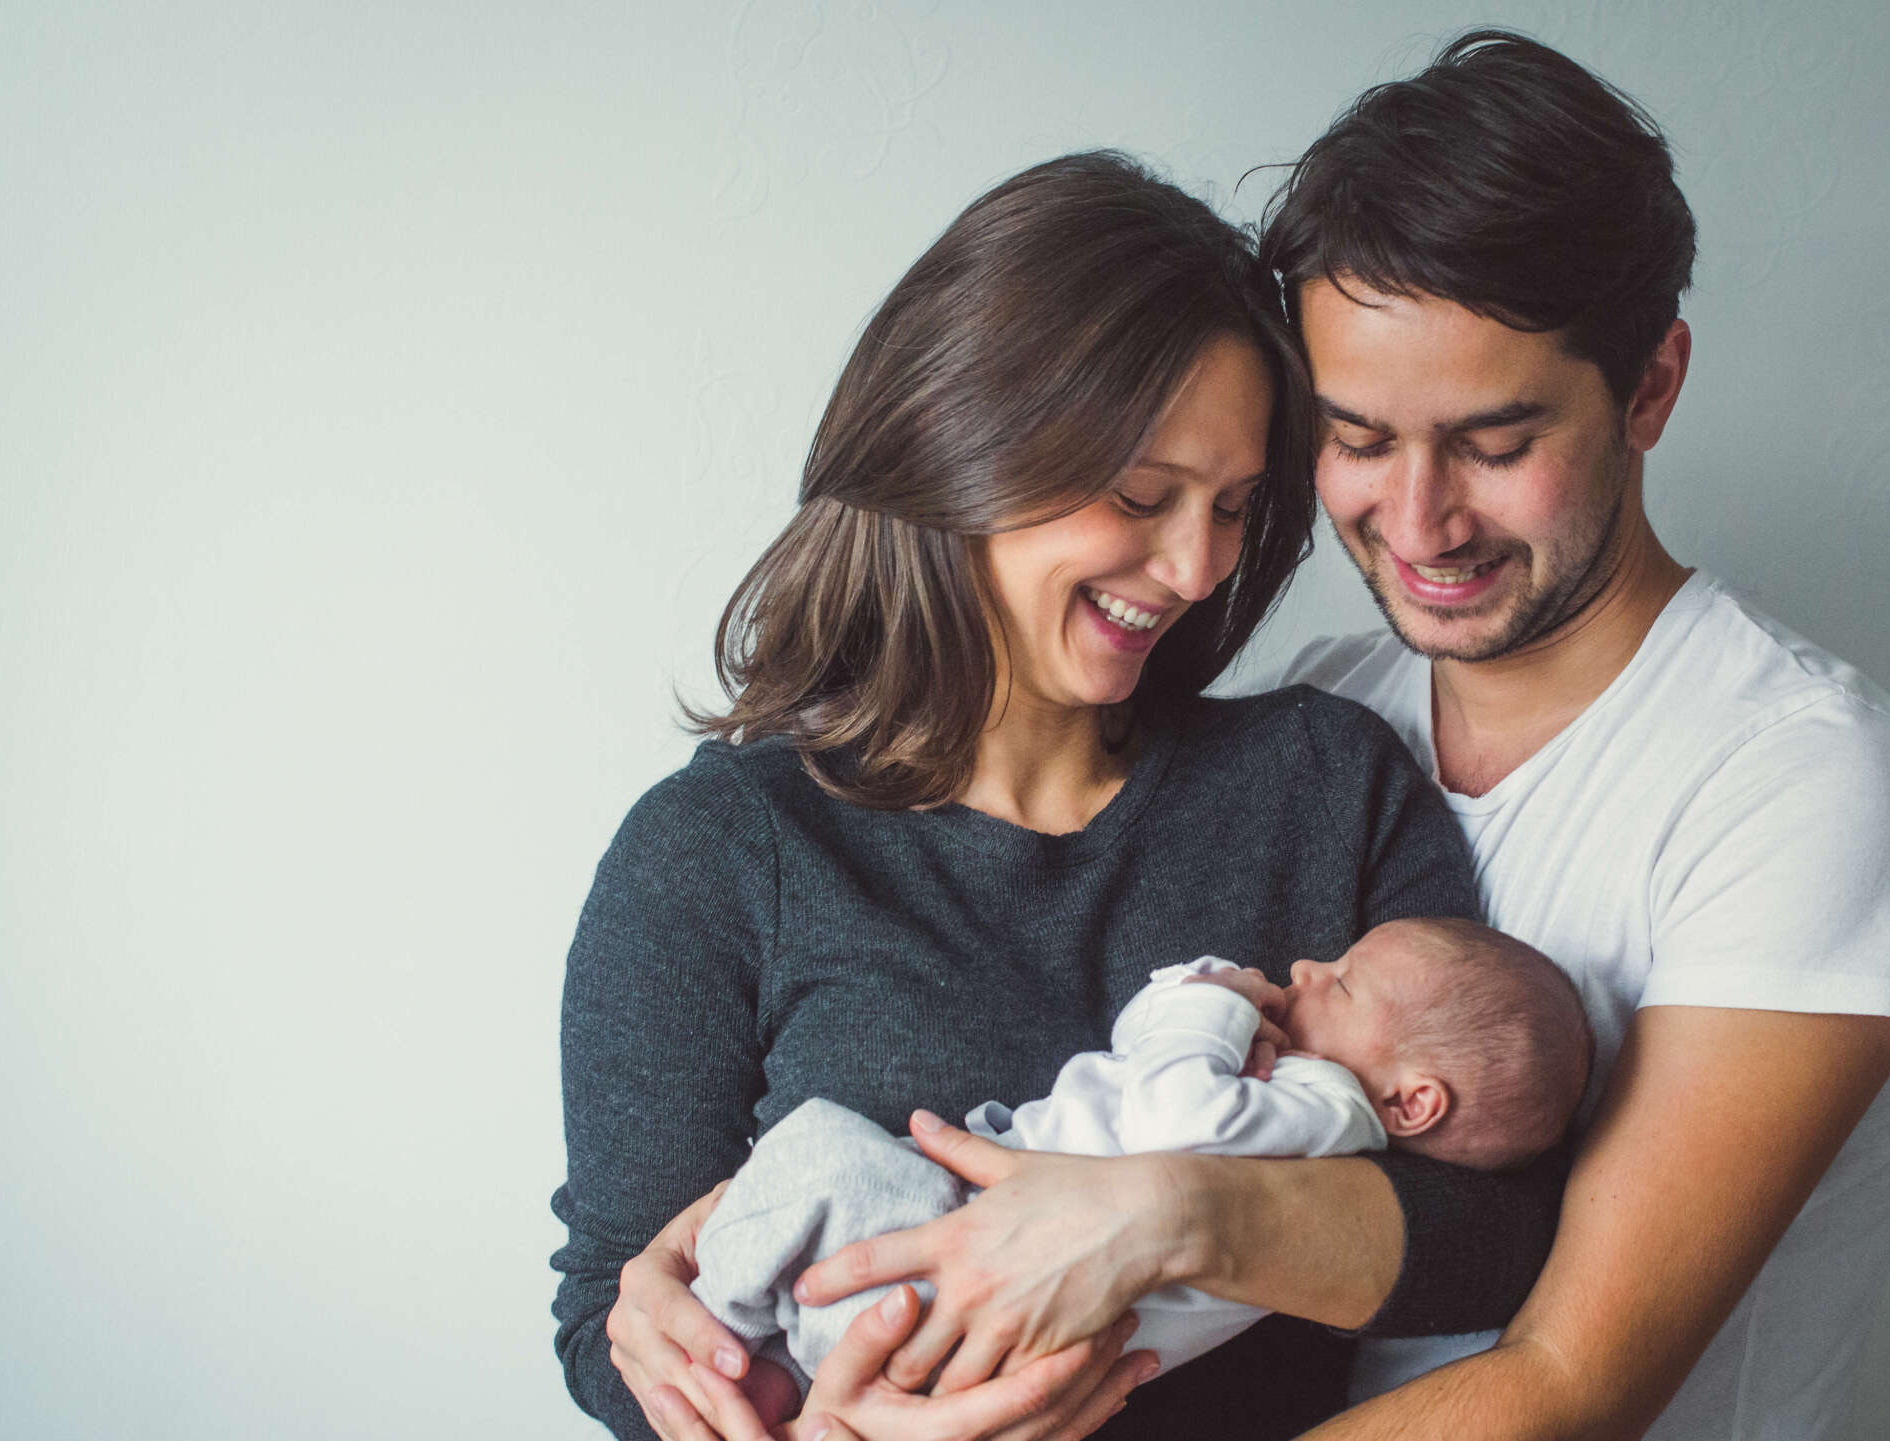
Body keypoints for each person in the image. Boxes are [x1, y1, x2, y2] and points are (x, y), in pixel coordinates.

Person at [614, 30, 1890, 1441]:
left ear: (1649, 388)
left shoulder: (1794, 777)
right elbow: (631, 1285)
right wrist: (671, 1319)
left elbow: (1567, 1374)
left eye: (1496, 443)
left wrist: (1172, 1216)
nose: (1420, 519)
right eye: (1358, 438)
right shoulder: (1334, 714)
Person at [548, 150, 1572, 1441]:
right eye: (1143, 497)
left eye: (1237, 510)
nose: (1198, 567)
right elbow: (612, 1313)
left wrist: (1161, 1219)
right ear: (959, 444)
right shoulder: (721, 850)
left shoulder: (1323, 780)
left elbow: (1499, 1231)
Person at [688, 921, 1592, 1389]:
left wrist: (1219, 1006)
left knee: (819, 1144)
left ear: (1411, 1101)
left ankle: (716, 1326)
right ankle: (755, 1367)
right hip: (944, 1310)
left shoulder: (1330, 1110)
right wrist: (1206, 993)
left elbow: (1169, 1111)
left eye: (1345, 980)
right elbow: (1144, 1040)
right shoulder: (1293, 1102)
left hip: (955, 1277)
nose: (1309, 969)